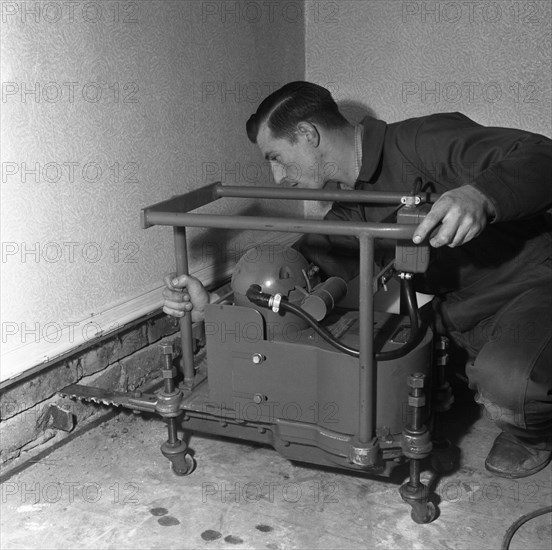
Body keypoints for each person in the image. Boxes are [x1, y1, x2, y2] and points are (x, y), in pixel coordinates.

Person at [163, 81, 552, 479]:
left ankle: (530, 434)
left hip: (534, 287)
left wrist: (481, 195)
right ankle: (471, 374)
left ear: (307, 135)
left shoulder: (421, 140)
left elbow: (543, 155)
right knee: (388, 362)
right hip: (457, 312)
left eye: (277, 157)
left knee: (507, 385)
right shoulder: (353, 206)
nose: (278, 176)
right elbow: (301, 269)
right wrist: (215, 306)